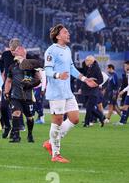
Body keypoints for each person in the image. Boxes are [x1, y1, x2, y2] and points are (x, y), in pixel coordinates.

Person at [42, 24, 98, 163]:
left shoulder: (67, 49)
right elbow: (47, 70)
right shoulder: (51, 50)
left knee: (75, 118)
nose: (68, 34)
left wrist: (85, 79)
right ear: (58, 36)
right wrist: (58, 75)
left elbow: (71, 68)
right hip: (56, 92)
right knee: (57, 122)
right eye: (65, 32)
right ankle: (56, 154)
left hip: (67, 91)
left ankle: (50, 142)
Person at [4, 46, 40, 143]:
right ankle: (16, 136)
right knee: (16, 113)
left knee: (29, 117)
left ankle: (30, 134)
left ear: (24, 54)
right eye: (15, 52)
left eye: (18, 52)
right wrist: (6, 92)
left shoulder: (31, 65)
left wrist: (30, 84)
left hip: (28, 96)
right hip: (15, 95)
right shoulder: (12, 66)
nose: (16, 54)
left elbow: (38, 79)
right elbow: (8, 80)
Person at [81, 56, 104, 127]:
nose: (85, 61)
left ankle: (86, 123)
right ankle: (101, 117)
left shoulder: (96, 68)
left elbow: (101, 79)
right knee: (89, 107)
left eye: (87, 60)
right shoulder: (86, 66)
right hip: (86, 90)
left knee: (89, 107)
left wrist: (94, 82)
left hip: (93, 91)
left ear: (91, 61)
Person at [115, 61, 129, 126]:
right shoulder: (127, 73)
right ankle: (122, 122)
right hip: (128, 94)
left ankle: (122, 121)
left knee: (124, 108)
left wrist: (123, 91)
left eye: (125, 66)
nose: (124, 67)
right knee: (125, 108)